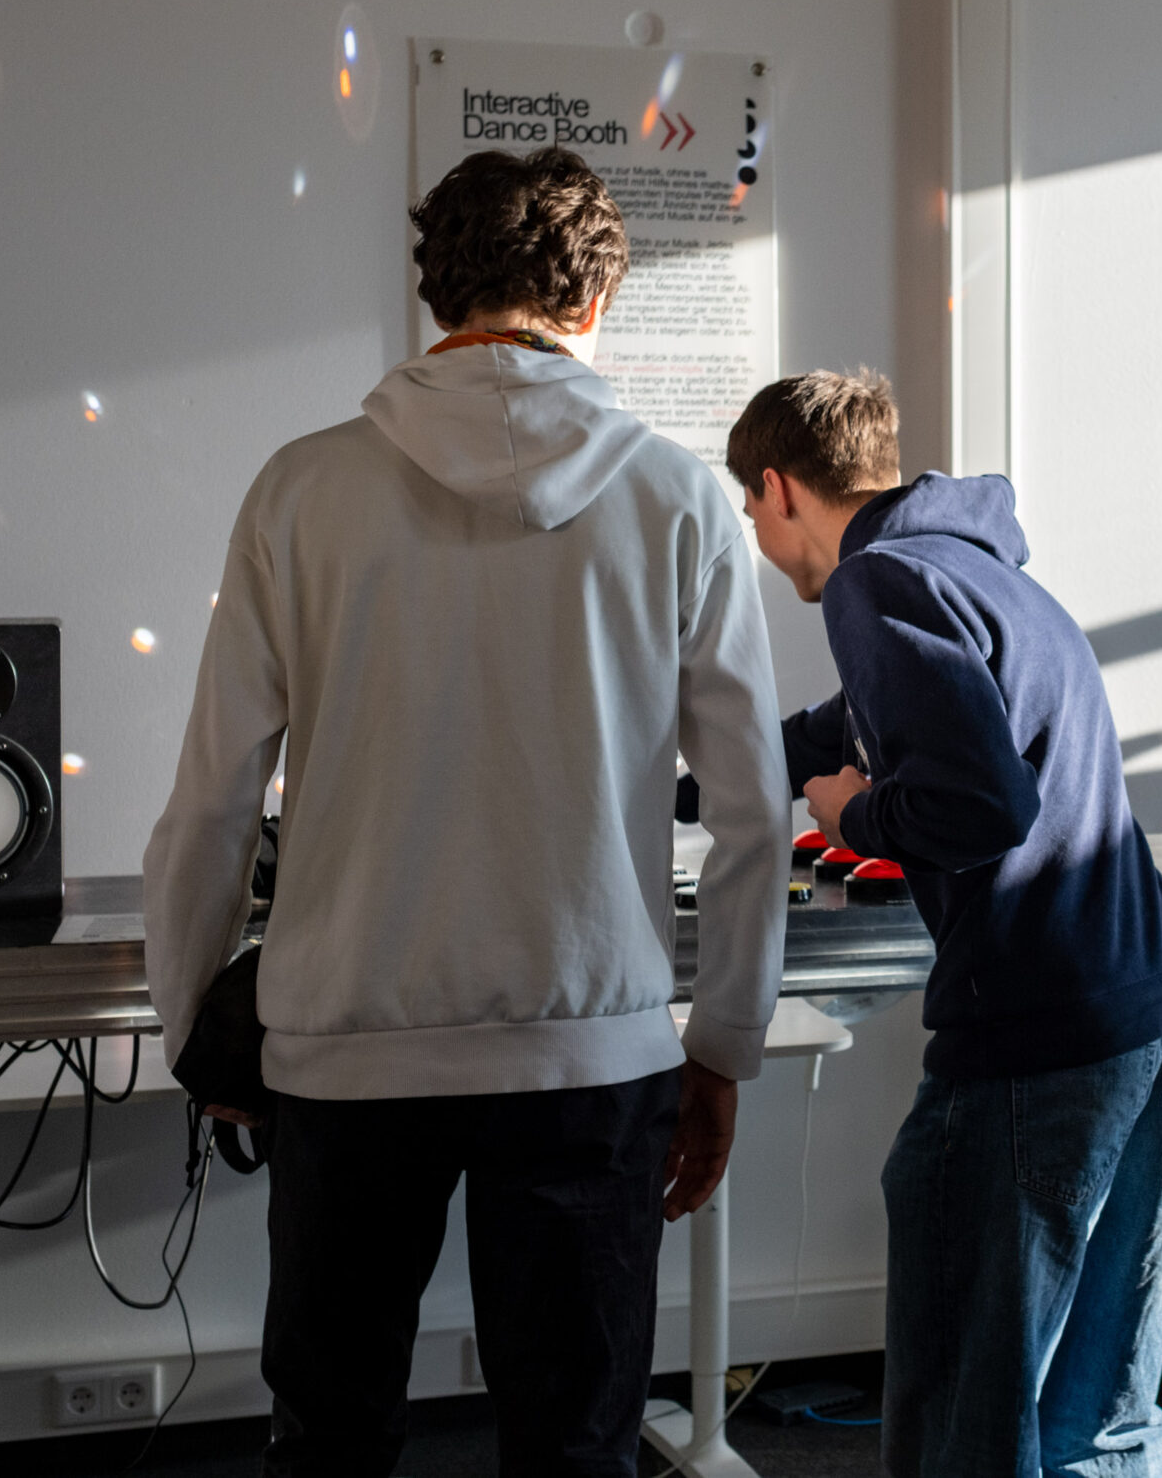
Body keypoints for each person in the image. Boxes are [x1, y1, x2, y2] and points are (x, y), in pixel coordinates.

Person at [143, 146, 791, 1478]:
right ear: (597, 299)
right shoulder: (678, 499)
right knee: (578, 1449)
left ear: (434, 291)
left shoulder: (301, 489)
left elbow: (212, 798)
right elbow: (753, 813)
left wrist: (198, 1029)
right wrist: (725, 1040)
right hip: (589, 1052)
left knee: (331, 1441)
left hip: (344, 1051)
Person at [725, 369, 1162, 1478]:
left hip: (1040, 1033)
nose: (757, 534)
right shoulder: (967, 567)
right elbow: (837, 729)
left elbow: (979, 805)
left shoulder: (875, 582)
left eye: (751, 509)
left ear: (777, 488)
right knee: (1098, 1414)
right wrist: (676, 774)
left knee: (964, 1413)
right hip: (1146, 1003)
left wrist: (853, 813)